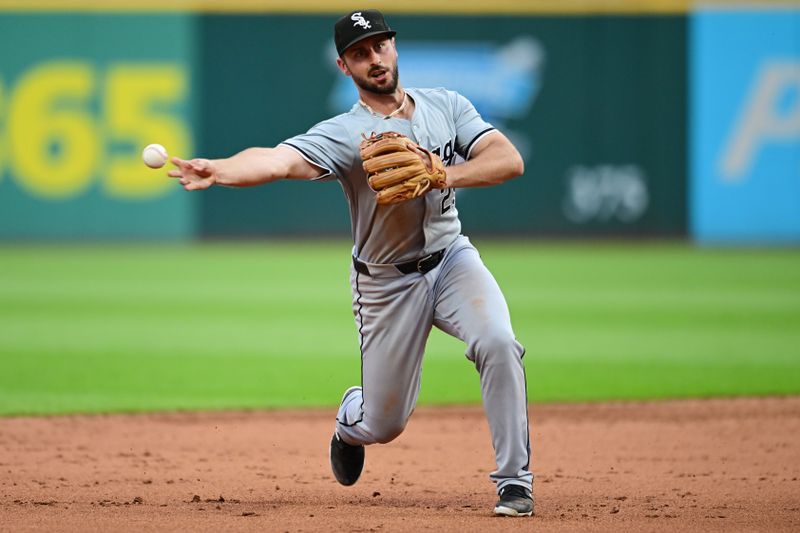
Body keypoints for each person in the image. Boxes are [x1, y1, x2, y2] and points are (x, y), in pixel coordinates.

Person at [168, 9, 533, 517]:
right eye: (360, 53)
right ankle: (349, 419)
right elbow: (278, 160)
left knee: (497, 340)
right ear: (345, 67)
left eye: (379, 45)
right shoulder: (345, 132)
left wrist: (439, 170)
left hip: (452, 260)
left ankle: (514, 483)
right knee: (384, 425)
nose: (374, 58)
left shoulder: (447, 106)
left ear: (394, 47)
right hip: (386, 284)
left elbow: (508, 160)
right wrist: (221, 169)